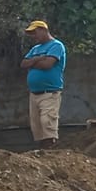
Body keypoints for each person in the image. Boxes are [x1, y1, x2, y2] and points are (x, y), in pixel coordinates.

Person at [21, 19, 66, 148]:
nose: (33, 36)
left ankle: (50, 151)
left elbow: (47, 64)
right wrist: (37, 59)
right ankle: (43, 153)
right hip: (34, 93)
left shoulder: (56, 45)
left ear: (43, 30)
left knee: (47, 123)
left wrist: (32, 63)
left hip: (49, 93)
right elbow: (23, 64)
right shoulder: (35, 49)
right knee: (38, 127)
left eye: (35, 32)